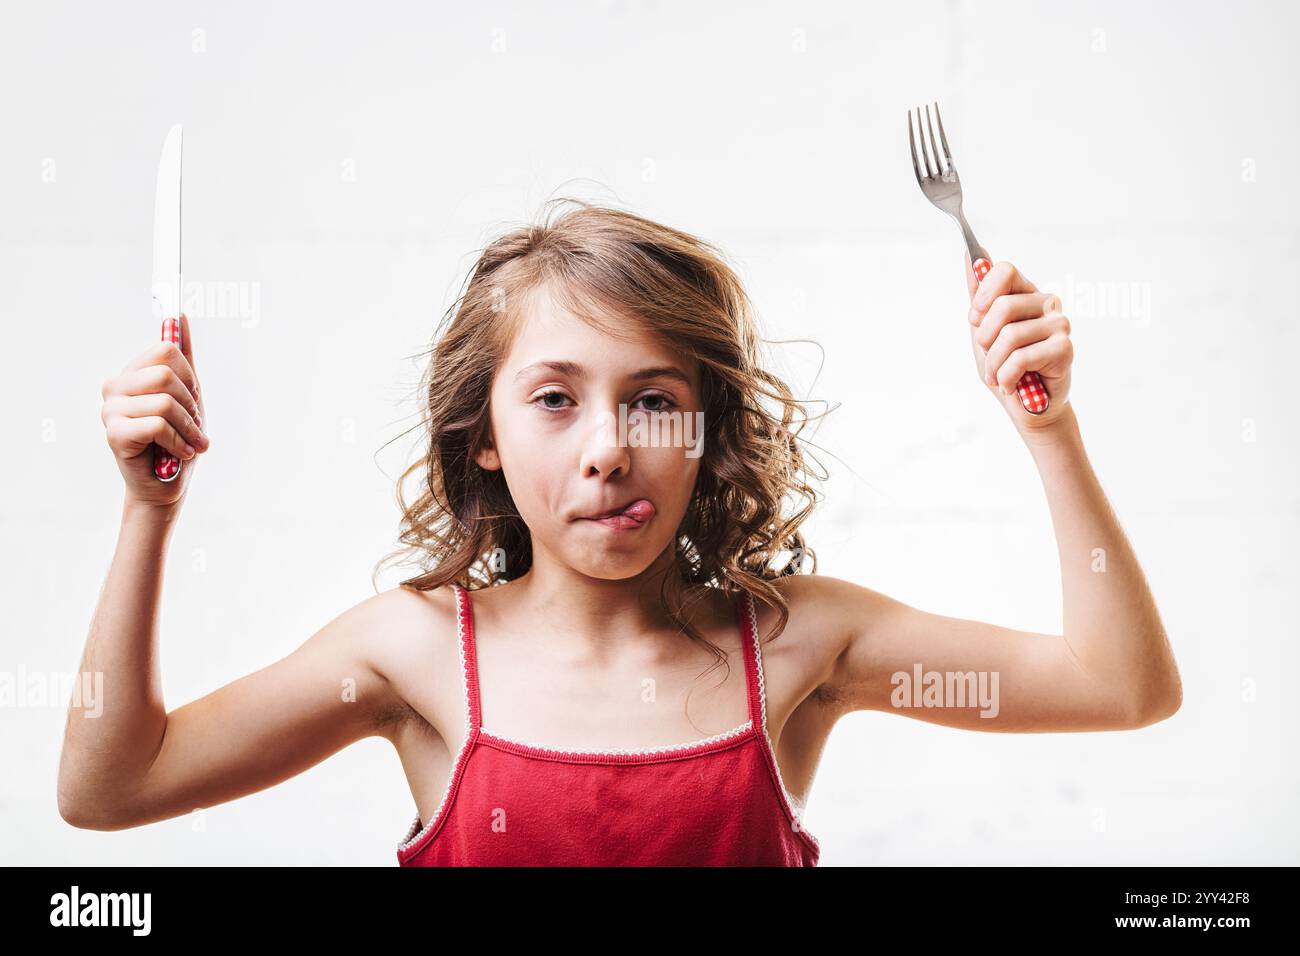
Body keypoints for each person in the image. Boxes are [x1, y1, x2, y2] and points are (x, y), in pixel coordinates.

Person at [57, 198, 1181, 866]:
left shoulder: (800, 643)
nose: (607, 446)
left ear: (706, 429)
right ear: (484, 434)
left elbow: (1120, 684)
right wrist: (149, 513)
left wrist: (1050, 428)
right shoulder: (406, 653)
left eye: (652, 399)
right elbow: (111, 785)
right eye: (554, 397)